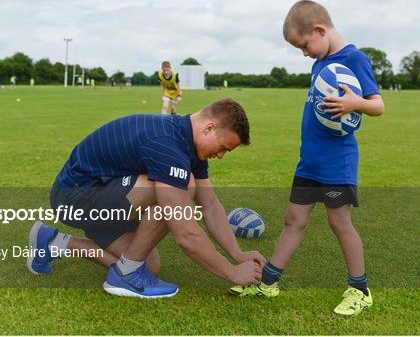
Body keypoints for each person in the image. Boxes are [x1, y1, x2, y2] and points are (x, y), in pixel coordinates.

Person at [230, 0, 384, 316]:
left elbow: (378, 105)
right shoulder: (320, 63)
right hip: (309, 162)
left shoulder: (353, 58)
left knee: (339, 223)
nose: (305, 53)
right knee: (293, 220)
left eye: (304, 45)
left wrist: (355, 103)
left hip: (336, 163)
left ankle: (360, 289)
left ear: (319, 30)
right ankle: (268, 282)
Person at [27, 98, 265, 298]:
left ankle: (54, 242)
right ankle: (126, 275)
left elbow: (210, 205)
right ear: (209, 128)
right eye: (223, 147)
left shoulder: (188, 145)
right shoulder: (167, 145)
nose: (221, 155)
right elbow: (185, 233)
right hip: (75, 197)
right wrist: (231, 273)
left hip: (101, 196)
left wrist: (238, 254)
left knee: (149, 265)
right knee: (183, 186)